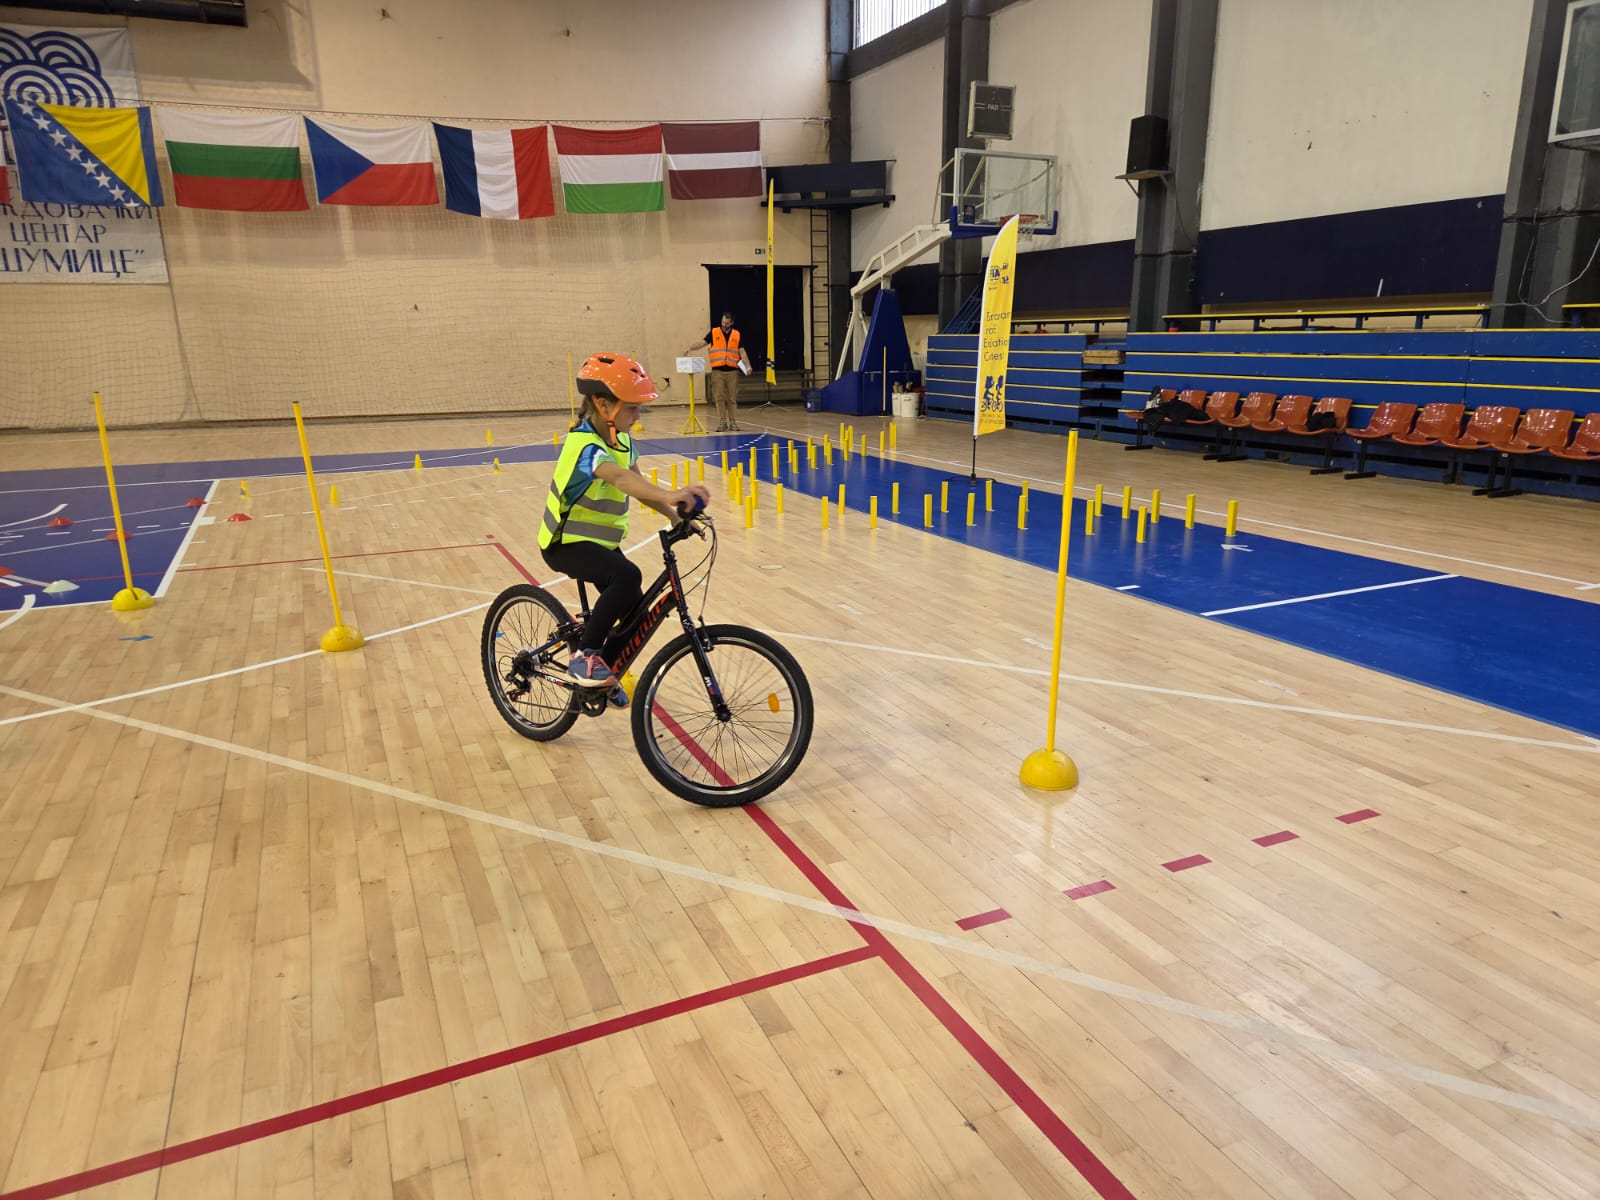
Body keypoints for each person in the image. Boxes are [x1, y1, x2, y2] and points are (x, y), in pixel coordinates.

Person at [539, 352, 712, 707]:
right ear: (603, 405)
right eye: (632, 408)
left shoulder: (622, 441)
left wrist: (675, 517)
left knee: (636, 613)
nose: (638, 415)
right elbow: (618, 478)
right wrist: (672, 493)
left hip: (599, 544)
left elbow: (637, 484)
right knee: (627, 576)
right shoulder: (584, 446)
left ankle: (603, 675)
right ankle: (584, 657)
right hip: (565, 542)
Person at [684, 311, 751, 432]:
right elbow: (702, 343)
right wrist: (690, 348)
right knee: (719, 397)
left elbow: (742, 352)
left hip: (732, 371)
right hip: (717, 371)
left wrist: (748, 366)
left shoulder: (736, 334)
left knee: (732, 398)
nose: (724, 324)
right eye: (723, 322)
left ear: (731, 323)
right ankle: (722, 422)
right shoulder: (714, 332)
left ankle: (732, 422)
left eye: (727, 323)